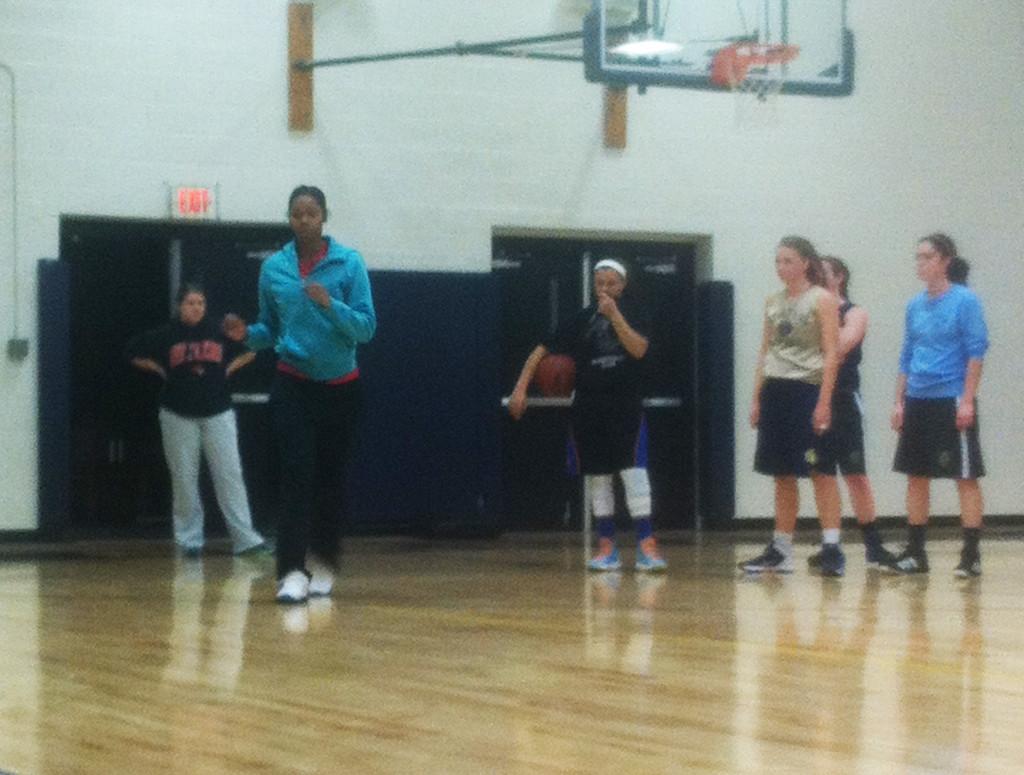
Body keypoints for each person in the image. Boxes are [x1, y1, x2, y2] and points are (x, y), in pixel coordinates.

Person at [224, 185, 376, 603]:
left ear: (324, 216)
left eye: (311, 213)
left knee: (330, 481)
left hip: (341, 389)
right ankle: (291, 572)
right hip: (293, 383)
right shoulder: (275, 268)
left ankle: (324, 563)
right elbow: (268, 329)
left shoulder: (349, 263)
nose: (304, 219)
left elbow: (366, 327)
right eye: (296, 213)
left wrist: (331, 305)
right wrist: (246, 337)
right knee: (295, 476)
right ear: (289, 218)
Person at [508, 258, 667, 573]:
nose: (605, 289)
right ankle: (606, 546)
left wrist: (615, 317)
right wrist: (520, 388)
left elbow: (638, 350)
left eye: (611, 283)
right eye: (599, 283)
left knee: (635, 474)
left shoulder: (637, 313)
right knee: (598, 479)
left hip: (625, 406)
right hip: (589, 407)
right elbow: (541, 350)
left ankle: (646, 544)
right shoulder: (580, 319)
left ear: (622, 284)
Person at [126, 283, 267, 556]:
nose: (196, 308)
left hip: (219, 412)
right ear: (180, 305)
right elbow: (132, 351)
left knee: (230, 475)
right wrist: (157, 368)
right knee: (184, 478)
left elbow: (251, 350)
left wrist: (227, 369)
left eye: (201, 303)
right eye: (191, 303)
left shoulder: (219, 331)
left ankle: (246, 540)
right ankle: (189, 541)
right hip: (177, 414)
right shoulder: (166, 335)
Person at [738, 236, 845, 576]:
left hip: (808, 390)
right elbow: (764, 352)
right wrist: (756, 397)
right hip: (776, 391)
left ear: (805, 264)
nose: (781, 267)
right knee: (782, 473)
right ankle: (781, 549)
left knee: (819, 470)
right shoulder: (773, 301)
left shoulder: (823, 300)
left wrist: (824, 401)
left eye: (787, 261)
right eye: (777, 261)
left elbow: (832, 354)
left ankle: (831, 547)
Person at [887, 233, 988, 577]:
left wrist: (968, 400)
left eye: (927, 256)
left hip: (951, 397)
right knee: (916, 476)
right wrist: (899, 400)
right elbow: (906, 354)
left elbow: (977, 352)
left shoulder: (965, 301)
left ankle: (971, 554)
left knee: (964, 476)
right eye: (917, 257)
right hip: (918, 398)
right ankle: (916, 552)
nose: (920, 263)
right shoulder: (914, 305)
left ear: (945, 261)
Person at [806, 256, 897, 569]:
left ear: (840, 277)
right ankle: (831, 546)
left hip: (844, 400)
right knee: (821, 473)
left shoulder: (854, 312)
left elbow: (840, 346)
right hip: (814, 398)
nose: (818, 278)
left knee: (855, 473)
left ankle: (874, 545)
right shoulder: (810, 311)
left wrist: (815, 347)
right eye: (815, 273)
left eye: (824, 273)